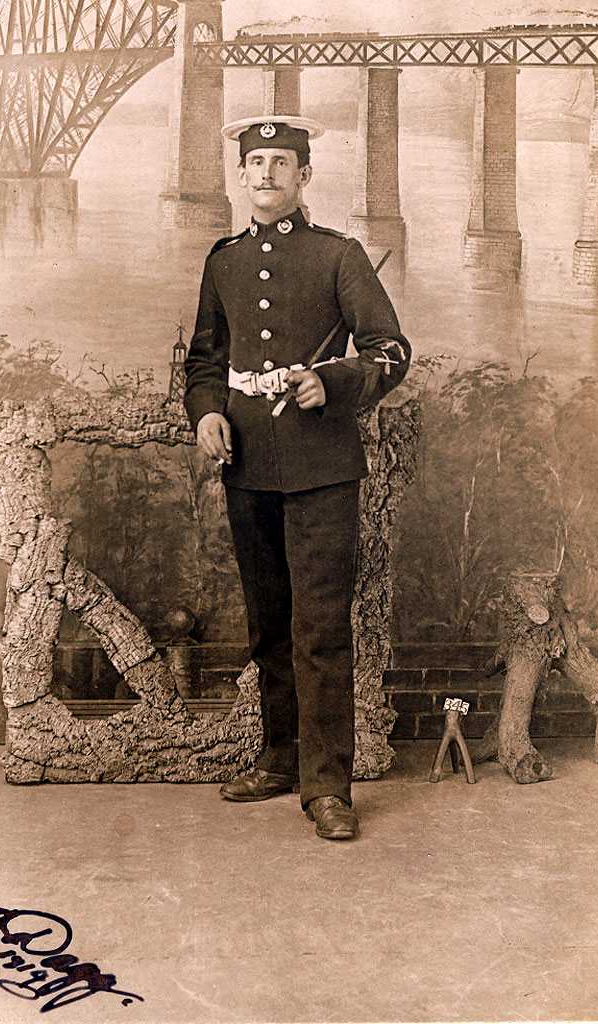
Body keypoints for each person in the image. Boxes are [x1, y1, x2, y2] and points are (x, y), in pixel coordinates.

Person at [184, 115, 411, 840]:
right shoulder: (221, 260)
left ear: (304, 175)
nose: (266, 176)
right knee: (267, 626)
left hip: (321, 467)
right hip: (246, 463)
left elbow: (392, 350)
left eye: (281, 163)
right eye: (255, 164)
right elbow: (204, 361)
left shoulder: (339, 255)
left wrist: (333, 382)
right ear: (241, 175)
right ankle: (279, 759)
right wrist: (207, 415)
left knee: (319, 630)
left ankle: (327, 787)